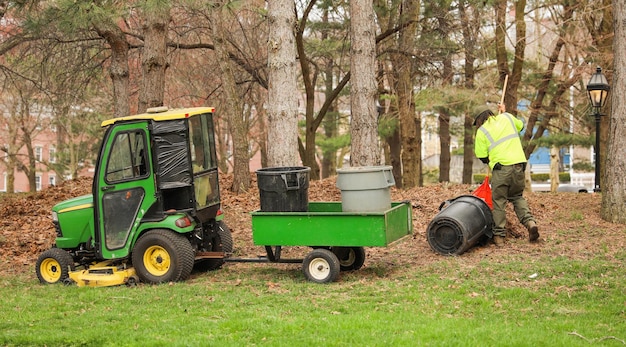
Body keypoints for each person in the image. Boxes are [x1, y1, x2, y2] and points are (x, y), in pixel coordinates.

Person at [473, 103, 539, 246]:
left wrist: (489, 159)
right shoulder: (507, 118)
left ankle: (499, 237)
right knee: (517, 197)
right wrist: (504, 112)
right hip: (519, 166)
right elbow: (520, 126)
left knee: (499, 202)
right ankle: (530, 223)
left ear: (479, 120)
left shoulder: (482, 131)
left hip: (501, 169)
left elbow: (481, 155)